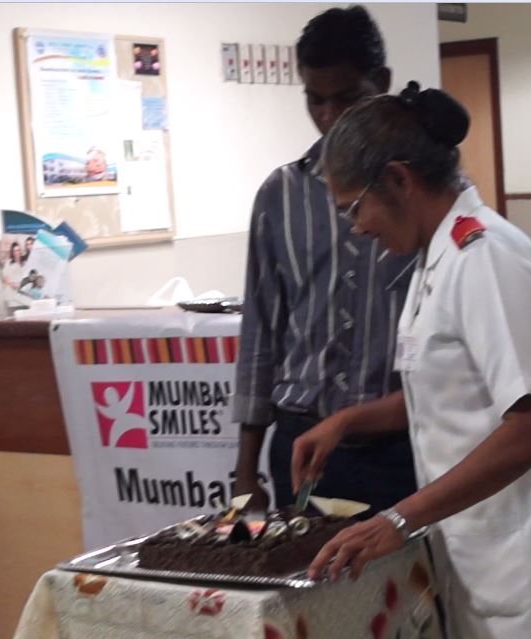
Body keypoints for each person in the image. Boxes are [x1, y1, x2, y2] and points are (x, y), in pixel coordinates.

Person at [291, 82, 531, 639]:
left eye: (354, 208)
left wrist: (399, 518)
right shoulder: (435, 257)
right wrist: (348, 421)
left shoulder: (484, 258)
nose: (357, 227)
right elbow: (450, 391)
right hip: (488, 543)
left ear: (399, 179)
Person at [231, 6, 417, 514]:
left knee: (408, 569)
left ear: (382, 84)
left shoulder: (421, 191)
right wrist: (245, 470)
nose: (330, 116)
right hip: (302, 445)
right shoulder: (280, 195)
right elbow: (261, 333)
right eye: (316, 100)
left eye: (347, 98)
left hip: (402, 448)